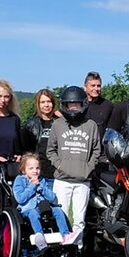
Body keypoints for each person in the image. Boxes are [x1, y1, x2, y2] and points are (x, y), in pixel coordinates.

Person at [48, 85, 101, 245]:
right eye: (69, 105)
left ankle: (77, 248)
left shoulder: (91, 125)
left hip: (82, 180)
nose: (72, 108)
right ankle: (62, 249)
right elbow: (50, 150)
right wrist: (60, 165)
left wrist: (88, 168)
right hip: (62, 179)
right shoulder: (58, 124)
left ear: (83, 105)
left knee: (79, 218)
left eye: (76, 105)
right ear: (64, 105)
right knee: (61, 216)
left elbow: (96, 151)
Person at [14, 154, 73, 248]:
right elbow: (20, 198)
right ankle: (39, 235)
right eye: (31, 168)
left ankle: (66, 235)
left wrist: (41, 188)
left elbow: (52, 198)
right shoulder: (20, 180)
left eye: (37, 168)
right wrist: (32, 186)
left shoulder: (42, 180)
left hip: (43, 207)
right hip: (27, 208)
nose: (35, 171)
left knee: (58, 210)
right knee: (33, 213)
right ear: (24, 170)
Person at [21, 89, 60, 187]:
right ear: (38, 104)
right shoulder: (30, 124)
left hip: (56, 174)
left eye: (49, 101)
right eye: (42, 102)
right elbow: (25, 151)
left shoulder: (61, 123)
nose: (46, 105)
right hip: (37, 175)